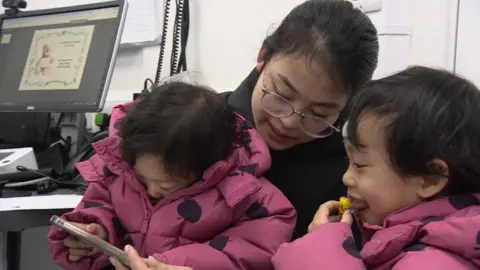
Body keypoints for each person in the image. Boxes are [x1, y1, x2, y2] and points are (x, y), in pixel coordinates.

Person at [48, 82, 296, 270]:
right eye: (142, 178)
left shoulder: (253, 198)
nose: (151, 192)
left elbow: (254, 252)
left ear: (208, 169)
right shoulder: (118, 173)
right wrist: (96, 232)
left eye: (166, 186)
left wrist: (170, 263)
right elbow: (100, 202)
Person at [271, 66, 480, 269]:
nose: (346, 178)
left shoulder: (432, 264)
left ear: (430, 179)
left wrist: (321, 252)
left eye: (360, 164)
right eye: (348, 161)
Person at [225, 0, 379, 239]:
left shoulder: (351, 175)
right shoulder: (195, 124)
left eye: (318, 113)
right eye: (282, 94)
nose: (288, 122)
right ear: (263, 56)